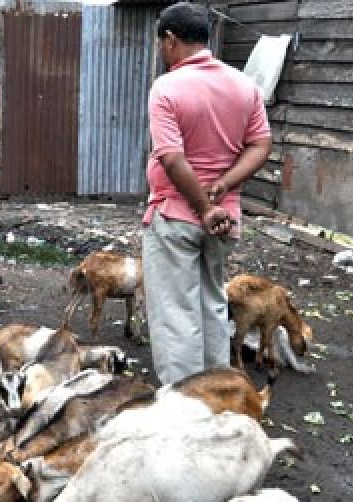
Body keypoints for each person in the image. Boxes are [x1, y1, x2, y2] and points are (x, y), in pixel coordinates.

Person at [142, 2, 272, 386]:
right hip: (225, 219)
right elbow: (261, 145)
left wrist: (202, 206)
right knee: (212, 303)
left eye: (160, 42)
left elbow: (170, 157)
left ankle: (187, 408)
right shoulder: (244, 86)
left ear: (170, 39)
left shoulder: (167, 87)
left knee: (175, 312)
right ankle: (218, 391)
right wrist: (226, 184)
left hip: (177, 216)